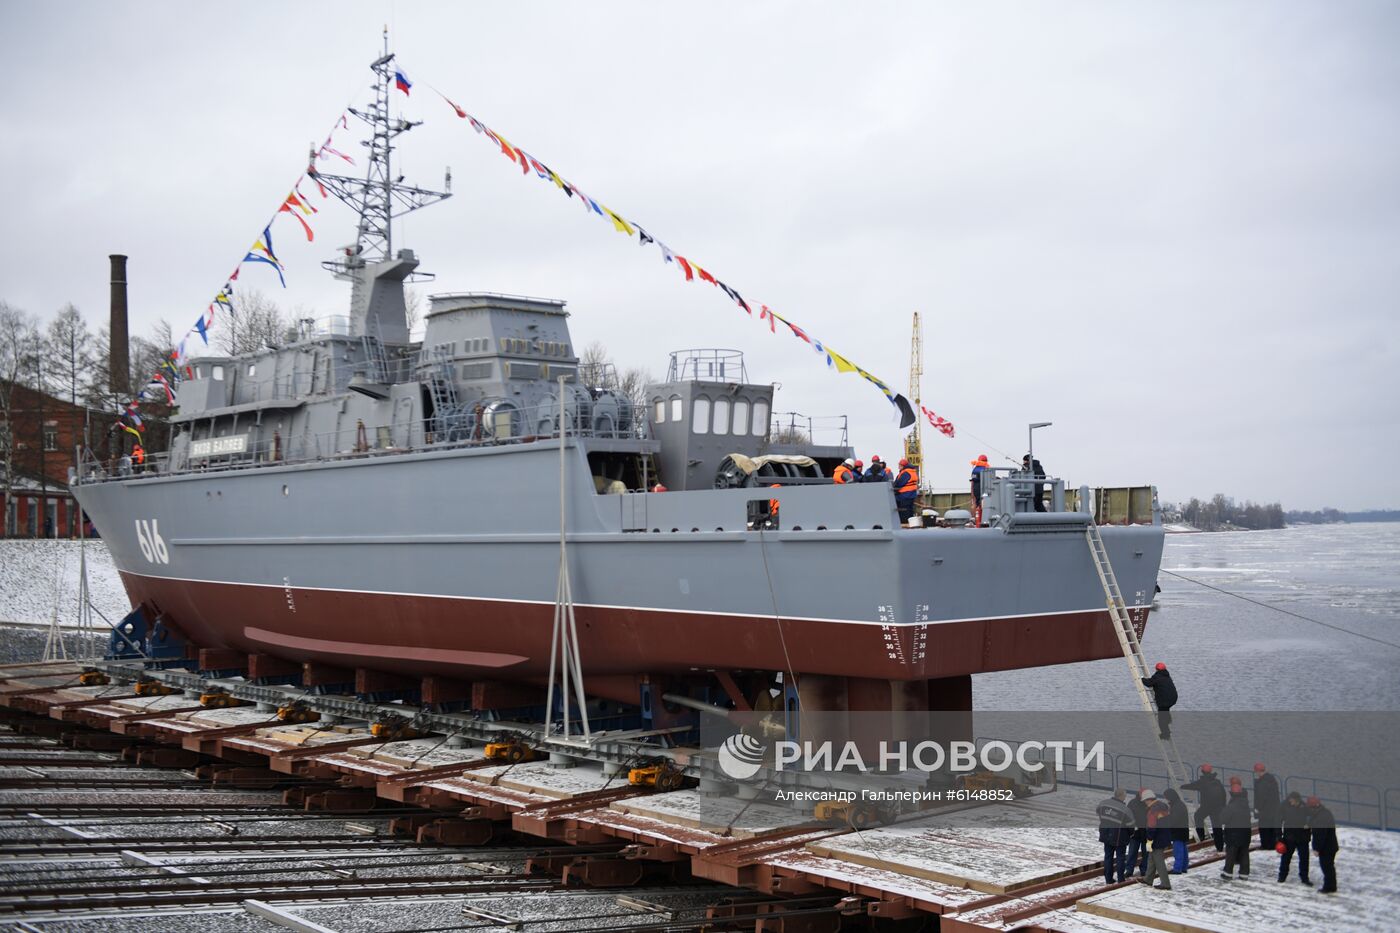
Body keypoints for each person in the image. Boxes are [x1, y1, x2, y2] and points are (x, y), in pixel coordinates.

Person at [1182, 764, 1226, 851]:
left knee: (1198, 816)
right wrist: (1223, 806)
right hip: (1218, 807)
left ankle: (1201, 836)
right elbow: (1224, 794)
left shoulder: (1202, 781)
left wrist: (1183, 786)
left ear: (1202, 771)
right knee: (1217, 827)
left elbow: (1192, 786)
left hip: (1206, 807)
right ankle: (1220, 847)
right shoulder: (1217, 781)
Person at [1096, 788, 1134, 884]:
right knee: (1120, 858)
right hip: (1120, 837)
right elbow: (1131, 825)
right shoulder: (1125, 810)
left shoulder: (1103, 803)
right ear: (1121, 796)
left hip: (1106, 834)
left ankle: (1108, 879)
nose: (1125, 797)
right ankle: (1121, 879)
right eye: (1125, 795)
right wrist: (1131, 834)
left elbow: (1098, 812)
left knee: (1108, 857)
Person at [1138, 790, 1173, 890]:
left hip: (1156, 839)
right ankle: (1148, 879)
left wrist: (1149, 840)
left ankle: (1165, 883)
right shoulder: (1163, 806)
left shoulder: (1152, 811)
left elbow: (1151, 827)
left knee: (1158, 861)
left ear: (1148, 800)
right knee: (1151, 858)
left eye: (1145, 801)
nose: (1145, 802)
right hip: (1165, 835)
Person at [1277, 790, 1312, 885]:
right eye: (1289, 800)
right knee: (1286, 858)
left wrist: (1308, 824)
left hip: (1302, 837)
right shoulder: (1285, 806)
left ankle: (1304, 878)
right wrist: (1279, 836)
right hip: (1289, 837)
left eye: (1292, 801)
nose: (1290, 802)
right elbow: (1278, 820)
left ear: (1297, 800)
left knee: (1304, 859)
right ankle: (1282, 876)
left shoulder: (1305, 807)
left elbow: (1313, 818)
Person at [1219, 779, 1252, 879]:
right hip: (1246, 833)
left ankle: (1227, 873)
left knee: (1231, 854)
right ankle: (1244, 873)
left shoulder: (1231, 806)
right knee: (1244, 853)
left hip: (1233, 834)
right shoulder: (1245, 805)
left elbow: (1222, 819)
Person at [1308, 796, 1339, 894]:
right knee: (1329, 866)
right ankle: (1331, 886)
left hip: (1326, 847)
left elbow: (1319, 834)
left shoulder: (1320, 817)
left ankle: (1329, 887)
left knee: (1327, 867)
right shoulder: (1325, 813)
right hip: (1331, 845)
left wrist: (1316, 848)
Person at [1141, 662, 1177, 739]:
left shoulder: (1157, 677)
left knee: (1161, 719)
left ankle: (1165, 734)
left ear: (1156, 669)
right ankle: (1168, 720)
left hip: (1164, 700)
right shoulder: (1167, 676)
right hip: (1173, 698)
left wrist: (1142, 678)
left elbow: (1148, 683)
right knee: (1165, 710)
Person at [1253, 763, 1281, 851]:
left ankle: (1266, 845)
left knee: (1264, 828)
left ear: (1257, 771)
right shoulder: (1272, 780)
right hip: (1274, 808)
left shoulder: (1262, 783)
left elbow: (1261, 797)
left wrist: (1258, 808)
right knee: (1272, 827)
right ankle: (1273, 844)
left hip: (1265, 810)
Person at [1164, 787, 1190, 874]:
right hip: (1183, 830)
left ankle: (1177, 868)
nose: (1166, 799)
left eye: (1166, 797)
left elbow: (1173, 820)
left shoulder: (1176, 806)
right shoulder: (1180, 804)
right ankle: (1184, 867)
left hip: (1177, 832)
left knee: (1178, 851)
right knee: (1184, 850)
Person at [1125, 788, 1150, 877]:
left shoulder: (1150, 803)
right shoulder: (1133, 803)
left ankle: (1144, 869)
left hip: (1147, 833)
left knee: (1146, 853)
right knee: (1132, 852)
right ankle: (1129, 870)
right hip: (1135, 833)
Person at [893, 458, 919, 524]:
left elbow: (898, 484)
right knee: (910, 510)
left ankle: (904, 523)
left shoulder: (905, 473)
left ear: (902, 466)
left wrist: (894, 491)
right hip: (911, 495)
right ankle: (910, 523)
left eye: (899, 465)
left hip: (904, 496)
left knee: (904, 512)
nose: (898, 467)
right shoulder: (912, 472)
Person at [969, 454, 990, 524]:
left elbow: (972, 481)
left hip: (975, 488)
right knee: (983, 504)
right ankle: (982, 520)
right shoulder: (985, 469)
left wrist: (972, 493)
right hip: (982, 489)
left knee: (976, 504)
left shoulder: (974, 469)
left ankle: (976, 519)